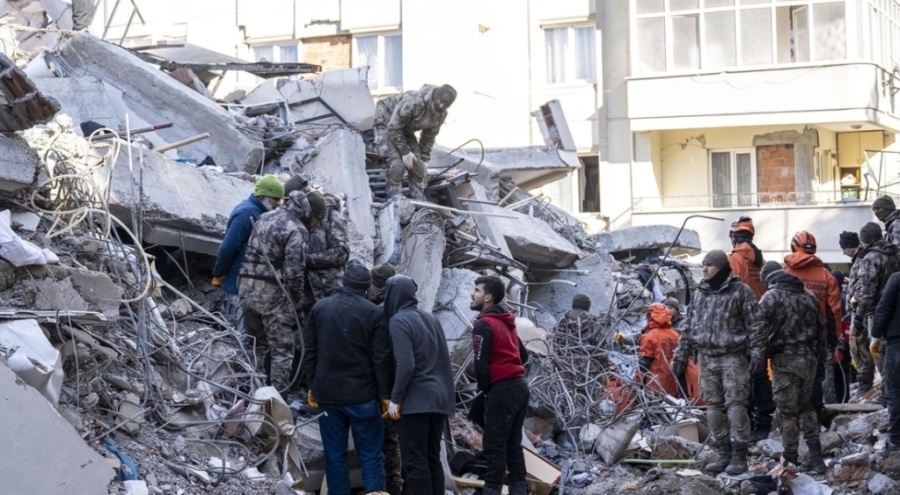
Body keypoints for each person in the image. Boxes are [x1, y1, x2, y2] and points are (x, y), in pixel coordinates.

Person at [303, 261, 393, 495]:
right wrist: (385, 394)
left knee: (334, 455)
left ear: (344, 281)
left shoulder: (321, 307)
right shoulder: (374, 313)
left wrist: (312, 386)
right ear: (367, 287)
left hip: (328, 395)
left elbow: (309, 351)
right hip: (362, 396)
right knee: (371, 454)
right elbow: (380, 358)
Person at [672, 250, 765, 475]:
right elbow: (689, 327)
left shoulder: (741, 291)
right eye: (703, 265)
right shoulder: (700, 293)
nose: (704, 269)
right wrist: (681, 355)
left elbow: (757, 325)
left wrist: (758, 354)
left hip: (732, 357)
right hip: (707, 358)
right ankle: (723, 453)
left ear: (721, 267)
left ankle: (739, 455)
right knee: (713, 408)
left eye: (709, 265)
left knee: (736, 407)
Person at [383, 276, 454, 495]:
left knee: (415, 462)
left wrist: (395, 399)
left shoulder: (398, 321)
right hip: (439, 400)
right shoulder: (430, 318)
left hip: (416, 402)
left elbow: (406, 365)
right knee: (432, 458)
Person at [238, 189, 311, 392]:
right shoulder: (296, 229)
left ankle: (253, 390)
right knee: (281, 350)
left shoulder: (263, 217)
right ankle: (275, 400)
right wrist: (296, 304)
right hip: (271, 295)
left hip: (245, 287)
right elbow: (295, 271)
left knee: (255, 344)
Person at [758, 266, 828, 473]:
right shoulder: (809, 296)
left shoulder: (772, 297)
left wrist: (760, 354)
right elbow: (821, 330)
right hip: (809, 359)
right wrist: (821, 361)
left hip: (785, 360)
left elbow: (757, 327)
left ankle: (790, 460)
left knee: (786, 412)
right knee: (805, 406)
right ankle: (816, 457)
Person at [471, 275, 529, 495]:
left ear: (487, 297)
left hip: (503, 389)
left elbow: (480, 363)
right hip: (520, 386)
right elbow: (522, 355)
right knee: (513, 443)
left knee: (494, 444)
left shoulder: (484, 324)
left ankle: (492, 489)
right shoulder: (507, 322)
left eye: (476, 290)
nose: (472, 294)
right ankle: (518, 489)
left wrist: (486, 390)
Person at [211, 175, 284, 336]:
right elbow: (228, 248)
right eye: (275, 199)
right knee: (241, 332)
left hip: (248, 282)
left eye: (280, 199)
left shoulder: (259, 212)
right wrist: (219, 272)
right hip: (237, 282)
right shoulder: (247, 213)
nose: (278, 203)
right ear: (262, 195)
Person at [783, 231, 842, 424]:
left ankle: (791, 421)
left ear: (793, 247)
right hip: (817, 336)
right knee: (816, 377)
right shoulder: (826, 275)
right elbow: (834, 310)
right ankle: (815, 417)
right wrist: (835, 340)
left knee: (788, 377)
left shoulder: (785, 273)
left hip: (788, 337)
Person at [373, 84, 457, 199]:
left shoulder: (441, 114)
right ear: (435, 96)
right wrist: (405, 152)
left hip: (406, 127)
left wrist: (424, 159)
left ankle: (419, 199)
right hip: (386, 119)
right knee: (397, 166)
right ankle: (396, 201)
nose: (440, 105)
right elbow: (394, 127)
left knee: (418, 167)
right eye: (439, 101)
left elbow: (429, 137)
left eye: (445, 105)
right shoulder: (413, 101)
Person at [852, 222, 900, 397]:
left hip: (875, 314)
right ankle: (890, 392)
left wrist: (858, 316)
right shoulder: (894, 255)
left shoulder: (871, 257)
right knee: (890, 353)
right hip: (894, 313)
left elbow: (866, 291)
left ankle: (888, 395)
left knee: (878, 352)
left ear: (865, 240)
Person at [367, 262, 402, 495]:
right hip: (398, 387)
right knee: (393, 443)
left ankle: (383, 488)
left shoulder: (377, 312)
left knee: (380, 442)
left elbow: (379, 356)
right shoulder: (403, 310)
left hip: (381, 388)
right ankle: (395, 487)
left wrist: (384, 394)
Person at [871, 271, 900, 454]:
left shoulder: (897, 278)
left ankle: (895, 442)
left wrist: (874, 335)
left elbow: (884, 308)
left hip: (897, 343)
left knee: (896, 393)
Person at [304, 190, 349, 307]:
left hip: (330, 289)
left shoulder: (333, 217)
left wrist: (307, 260)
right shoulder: (302, 215)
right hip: (307, 292)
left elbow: (341, 252)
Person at [637, 302, 680, 397]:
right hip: (675, 388)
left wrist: (637, 384)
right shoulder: (676, 335)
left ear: (650, 316)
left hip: (655, 388)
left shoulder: (650, 336)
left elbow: (643, 365)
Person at [728, 216, 766, 300]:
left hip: (742, 310)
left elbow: (730, 290)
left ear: (733, 238)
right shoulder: (763, 262)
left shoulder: (733, 260)